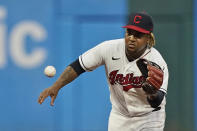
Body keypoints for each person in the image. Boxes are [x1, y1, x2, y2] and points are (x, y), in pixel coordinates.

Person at [38, 12, 169, 131]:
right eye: (129, 33)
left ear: (148, 38)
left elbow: (156, 101)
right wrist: (56, 86)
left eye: (138, 35)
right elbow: (78, 66)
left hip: (149, 117)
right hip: (120, 116)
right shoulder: (109, 48)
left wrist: (152, 93)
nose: (132, 38)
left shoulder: (157, 62)